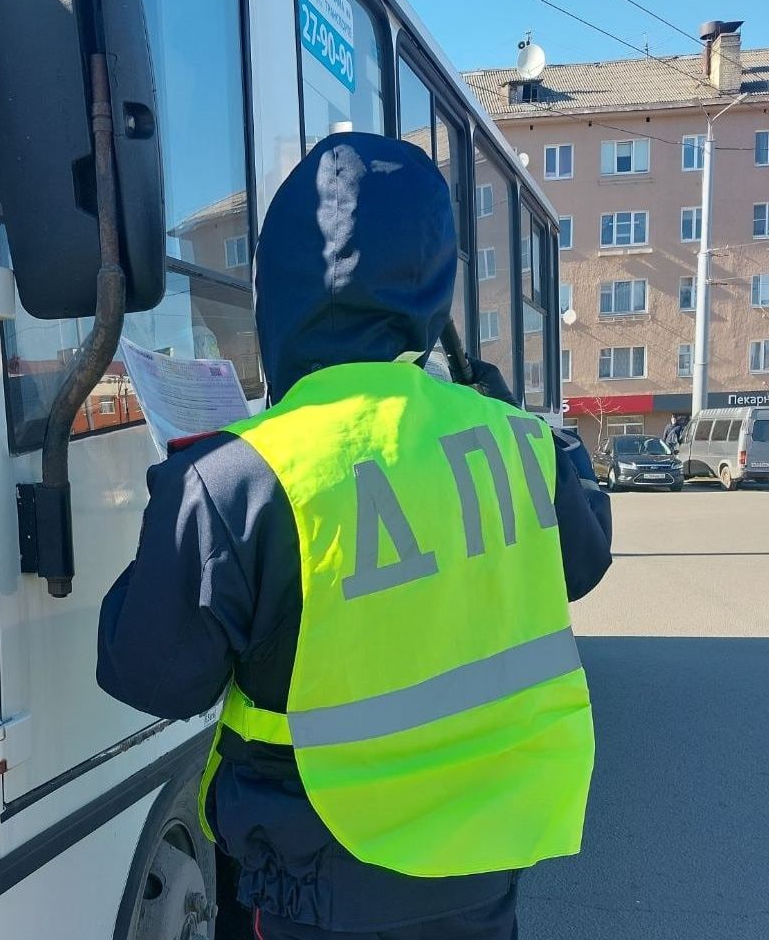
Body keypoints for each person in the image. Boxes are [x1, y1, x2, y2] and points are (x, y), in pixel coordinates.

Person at [97, 133, 613, 940]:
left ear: (279, 288)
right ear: (433, 286)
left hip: (316, 883)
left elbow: (154, 674)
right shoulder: (521, 443)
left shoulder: (235, 475)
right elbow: (584, 559)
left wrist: (173, 520)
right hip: (483, 868)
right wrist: (505, 408)